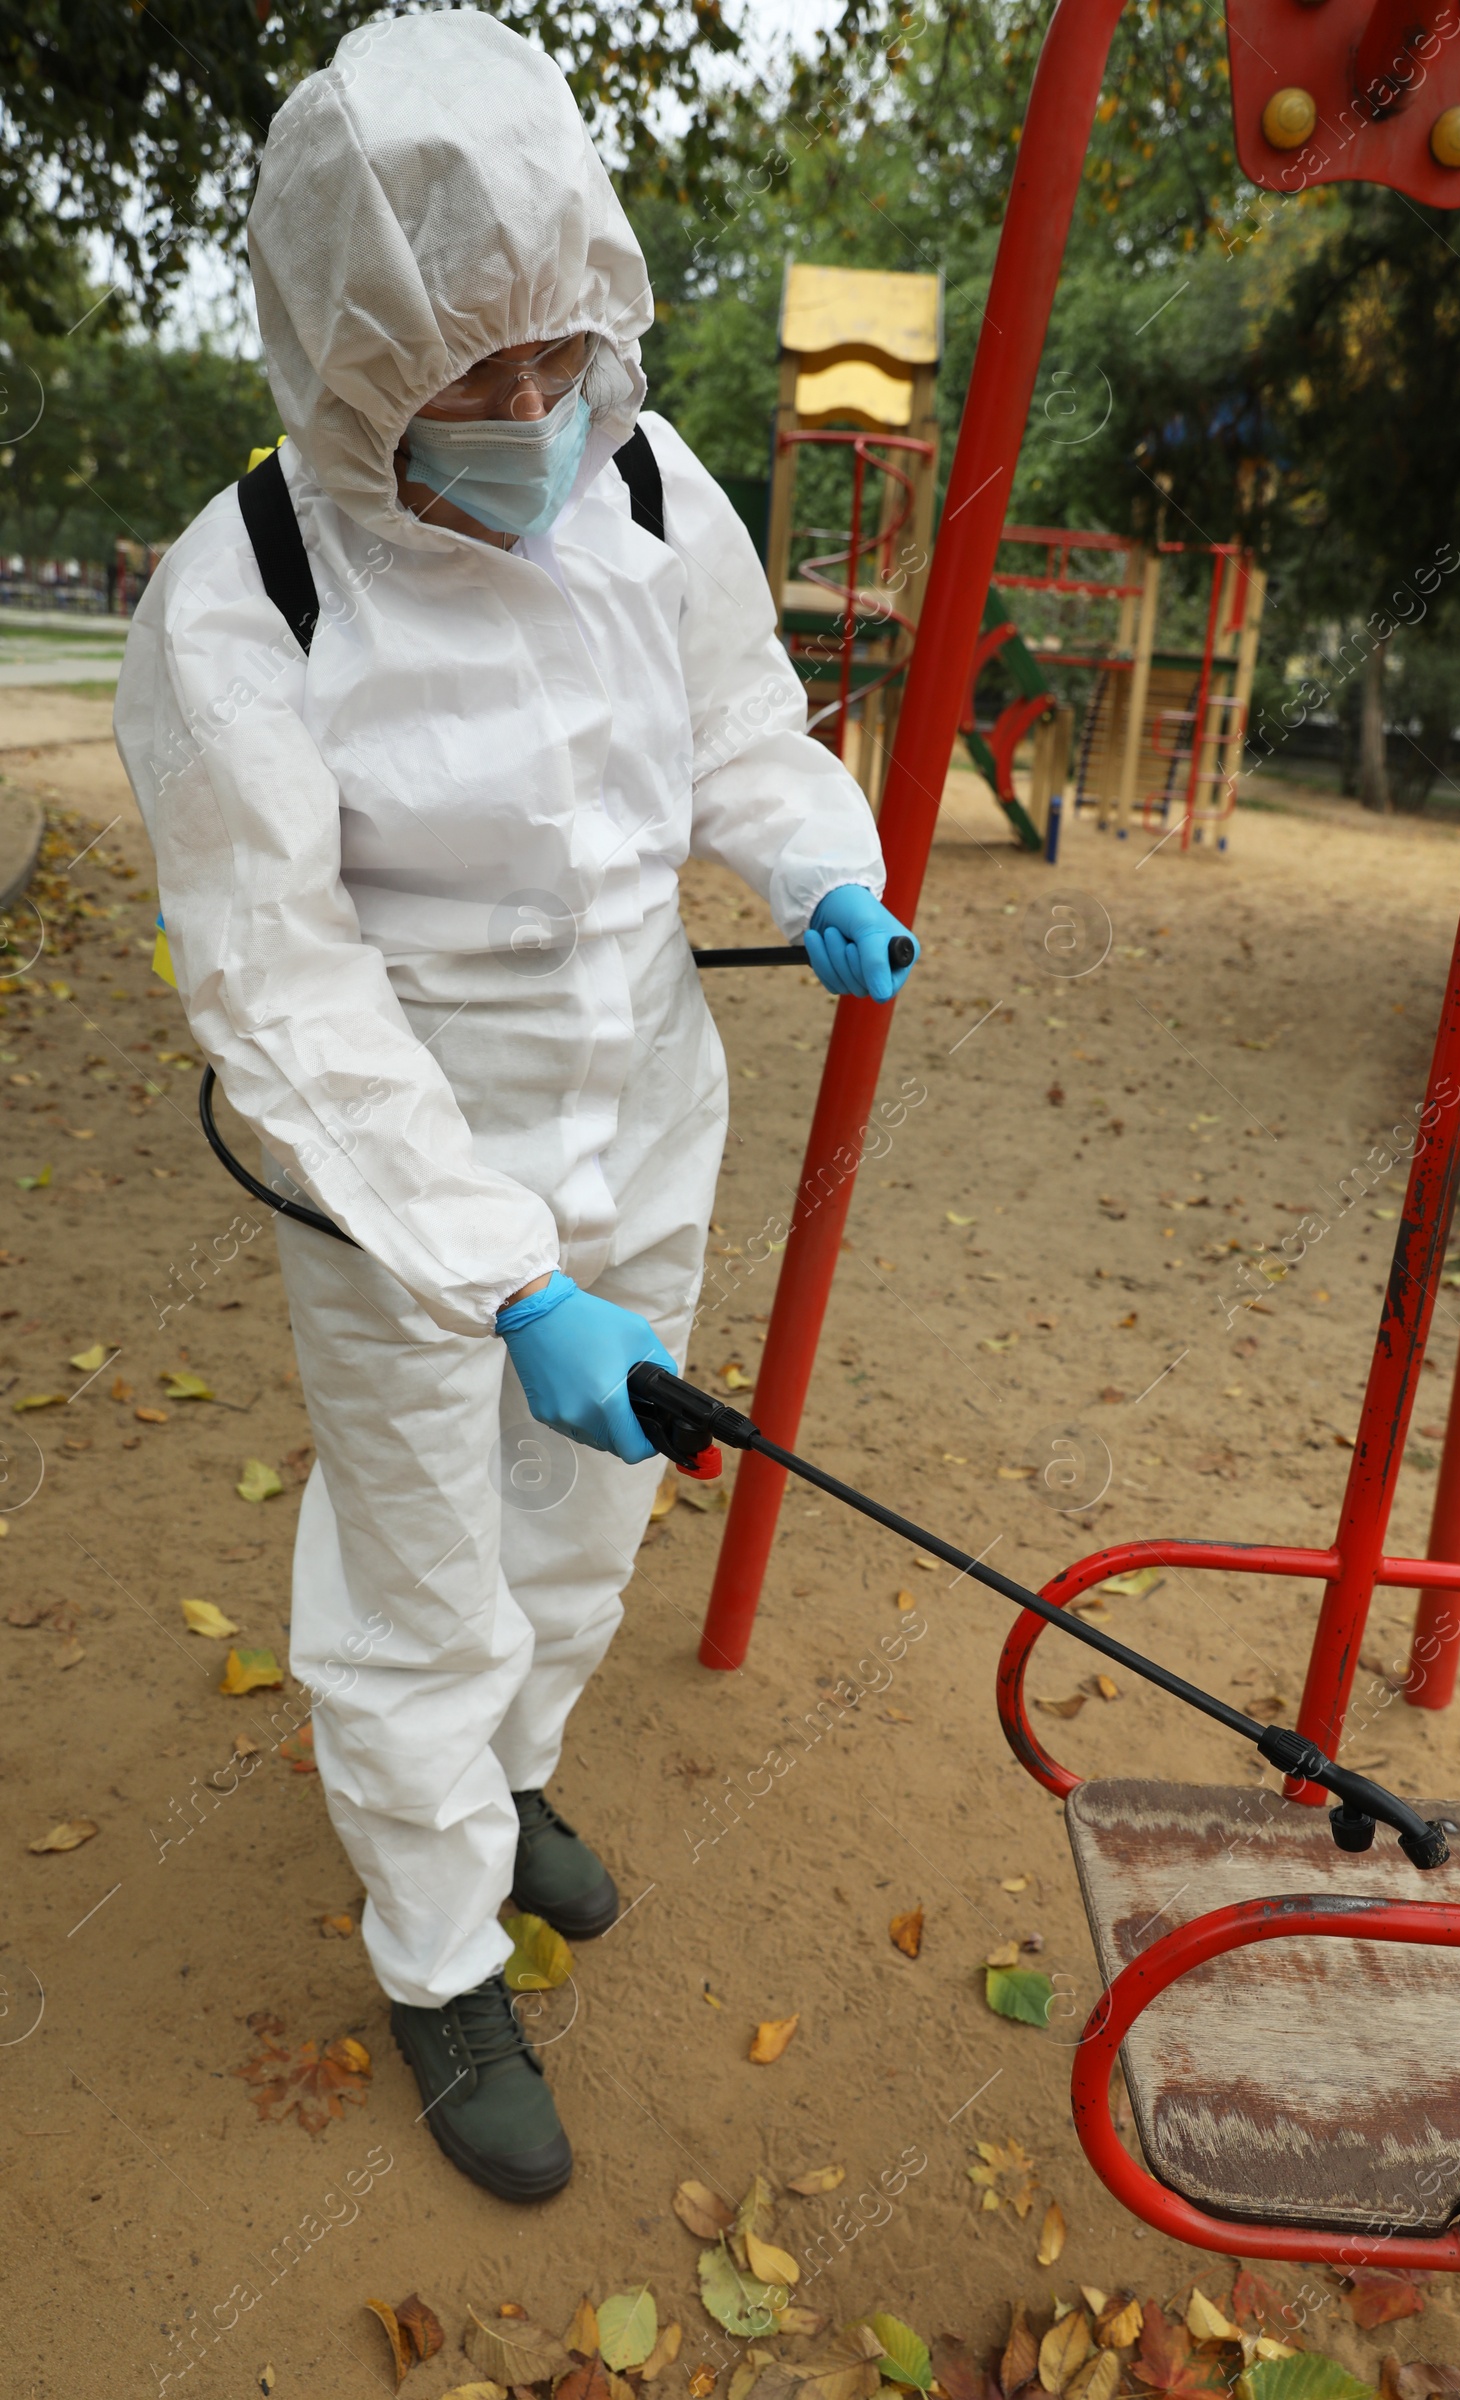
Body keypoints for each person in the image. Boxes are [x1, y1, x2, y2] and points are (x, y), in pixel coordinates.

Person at [113, 8, 917, 2203]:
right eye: (476, 384)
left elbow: (743, 729)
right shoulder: (245, 600)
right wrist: (498, 1277)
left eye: (559, 354)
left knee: (589, 1516)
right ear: (356, 359)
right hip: (396, 1172)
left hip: (646, 1105)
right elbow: (280, 995)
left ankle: (517, 1778)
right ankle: (437, 1946)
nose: (535, 416)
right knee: (419, 1569)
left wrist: (820, 866)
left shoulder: (649, 487)